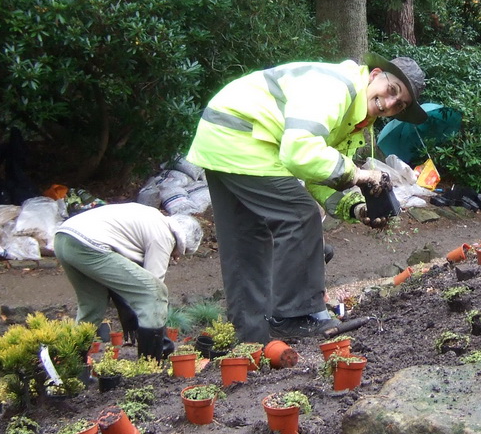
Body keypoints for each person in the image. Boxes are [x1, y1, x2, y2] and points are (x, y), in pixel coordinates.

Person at [186, 53, 428, 342]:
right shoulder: (336, 88)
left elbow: (320, 174)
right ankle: (295, 316)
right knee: (300, 215)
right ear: (376, 74)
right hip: (240, 134)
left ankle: (253, 337)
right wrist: (360, 176)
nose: (389, 104)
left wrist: (356, 208)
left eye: (398, 105)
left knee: (246, 242)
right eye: (392, 91)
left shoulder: (357, 123)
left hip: (221, 140)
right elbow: (299, 151)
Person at [52, 203, 199, 358]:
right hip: (88, 245)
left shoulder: (152, 218)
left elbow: (123, 277)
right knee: (154, 292)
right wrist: (161, 340)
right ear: (181, 243)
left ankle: (71, 362)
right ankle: (150, 364)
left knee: (92, 306)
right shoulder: (165, 236)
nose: (175, 258)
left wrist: (127, 309)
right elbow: (152, 291)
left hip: (64, 239)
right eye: (180, 253)